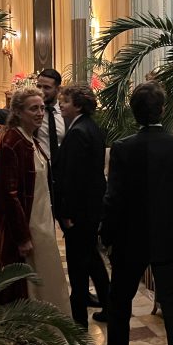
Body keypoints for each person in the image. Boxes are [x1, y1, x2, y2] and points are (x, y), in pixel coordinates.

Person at [85, 82, 173, 345]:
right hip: (167, 240)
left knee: (119, 313)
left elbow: (114, 198)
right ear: (162, 110)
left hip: (130, 242)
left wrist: (107, 234)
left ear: (134, 113)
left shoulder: (123, 148)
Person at [0, 86, 70, 313]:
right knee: (31, 282)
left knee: (48, 276)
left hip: (42, 223)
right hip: (29, 226)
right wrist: (23, 237)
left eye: (42, 108)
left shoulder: (30, 139)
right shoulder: (12, 142)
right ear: (18, 112)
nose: (39, 113)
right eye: (33, 108)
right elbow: (9, 194)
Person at [52, 83, 111, 328]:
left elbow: (74, 179)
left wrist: (67, 214)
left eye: (64, 101)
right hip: (91, 208)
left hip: (80, 212)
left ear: (77, 105)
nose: (61, 105)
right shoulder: (90, 127)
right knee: (92, 259)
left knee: (78, 270)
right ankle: (109, 305)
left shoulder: (78, 132)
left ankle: (79, 325)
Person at [0, 68, 65, 160]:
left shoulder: (66, 113)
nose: (41, 91)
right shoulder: (29, 112)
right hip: (35, 166)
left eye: (47, 87)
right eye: (39, 86)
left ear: (58, 89)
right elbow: (3, 114)